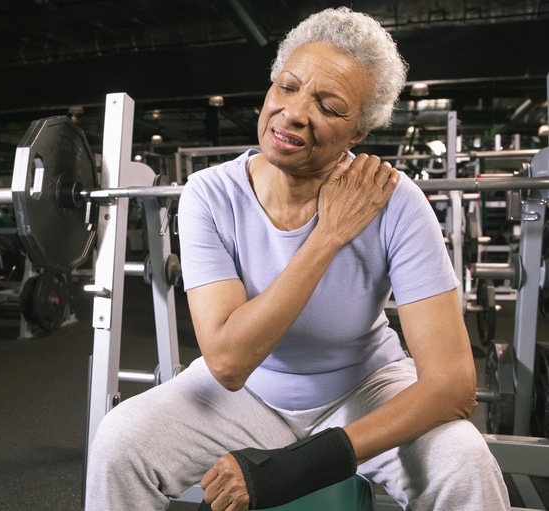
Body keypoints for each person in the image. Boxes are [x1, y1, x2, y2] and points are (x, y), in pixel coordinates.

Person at [87, 7, 510, 510]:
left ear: (357, 134)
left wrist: (301, 466)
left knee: (465, 460)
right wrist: (327, 236)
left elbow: (454, 385)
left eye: (329, 107)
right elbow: (226, 362)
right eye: (288, 87)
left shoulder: (395, 200)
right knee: (119, 443)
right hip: (245, 395)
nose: (295, 112)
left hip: (365, 388)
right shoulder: (210, 194)